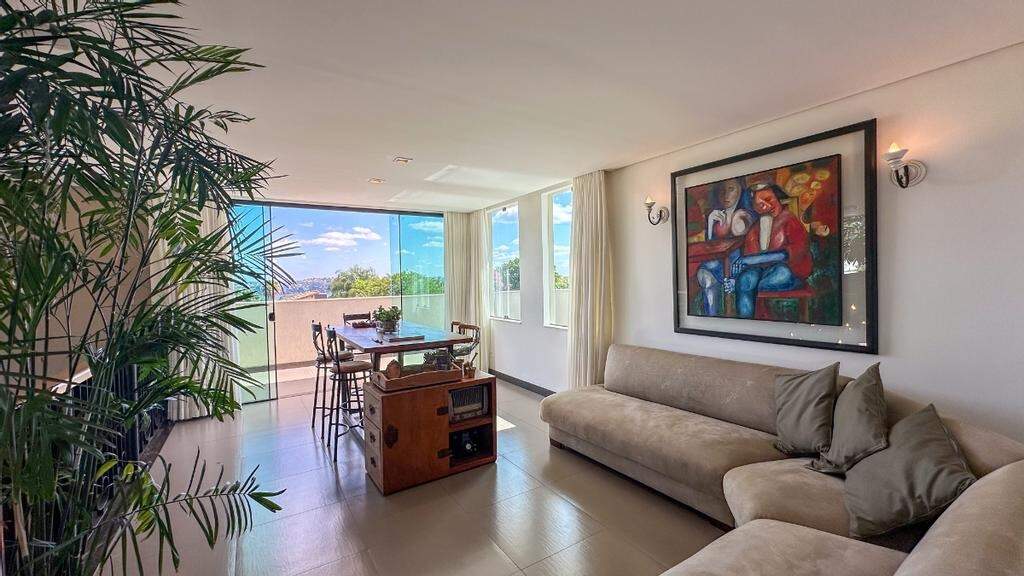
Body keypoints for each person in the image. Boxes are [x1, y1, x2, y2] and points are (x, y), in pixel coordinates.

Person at [724, 182, 811, 319]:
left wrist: (750, 260)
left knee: (780, 273)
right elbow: (749, 255)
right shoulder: (755, 229)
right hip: (761, 271)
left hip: (790, 270)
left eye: (768, 199)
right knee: (745, 279)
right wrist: (743, 269)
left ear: (778, 198)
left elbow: (793, 252)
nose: (764, 205)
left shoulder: (790, 220)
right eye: (758, 204)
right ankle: (746, 325)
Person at [695, 179, 753, 315]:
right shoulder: (716, 215)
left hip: (738, 265)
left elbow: (742, 238)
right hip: (717, 264)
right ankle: (711, 318)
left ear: (740, 191)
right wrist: (710, 222)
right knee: (705, 275)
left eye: (731, 189)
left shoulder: (744, 215)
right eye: (722, 190)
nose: (726, 195)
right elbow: (709, 248)